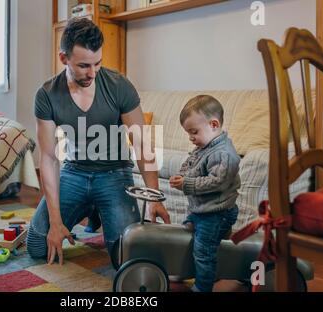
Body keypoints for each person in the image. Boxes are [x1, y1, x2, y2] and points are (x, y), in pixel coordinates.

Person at [27, 18, 170, 265]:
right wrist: (55, 221)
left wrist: (154, 196)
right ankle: (91, 208)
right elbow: (49, 158)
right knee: (38, 246)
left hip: (114, 173)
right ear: (64, 58)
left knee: (125, 255)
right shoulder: (47, 94)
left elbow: (141, 143)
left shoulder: (119, 86)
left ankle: (98, 206)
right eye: (83, 66)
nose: (92, 73)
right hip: (74, 172)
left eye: (97, 64)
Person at [169, 95, 240, 292]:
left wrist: (187, 183)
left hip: (217, 214)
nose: (191, 138)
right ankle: (185, 268)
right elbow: (189, 163)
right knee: (188, 237)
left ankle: (203, 286)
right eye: (188, 133)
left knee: (203, 251)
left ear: (214, 124)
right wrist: (181, 176)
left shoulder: (223, 153)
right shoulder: (203, 147)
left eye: (194, 132)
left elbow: (217, 182)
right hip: (201, 211)